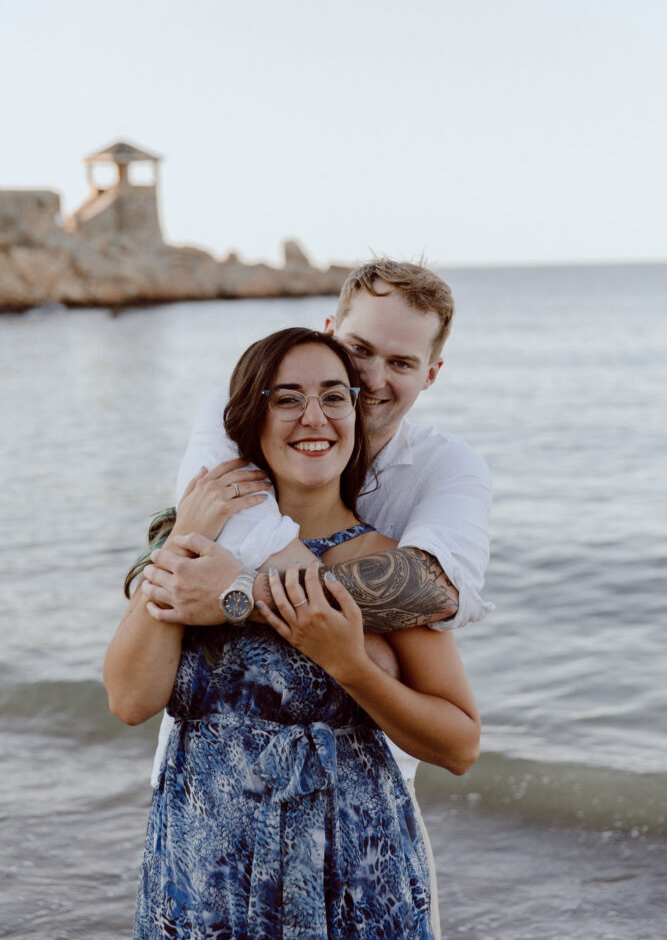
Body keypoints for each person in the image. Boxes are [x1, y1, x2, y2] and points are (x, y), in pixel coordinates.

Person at [104, 328, 480, 940]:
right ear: (252, 419)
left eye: (335, 397)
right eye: (287, 399)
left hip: (352, 872)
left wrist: (352, 667)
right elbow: (129, 700)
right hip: (204, 874)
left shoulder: (384, 563)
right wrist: (179, 540)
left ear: (355, 417)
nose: (315, 417)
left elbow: (460, 747)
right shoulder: (198, 539)